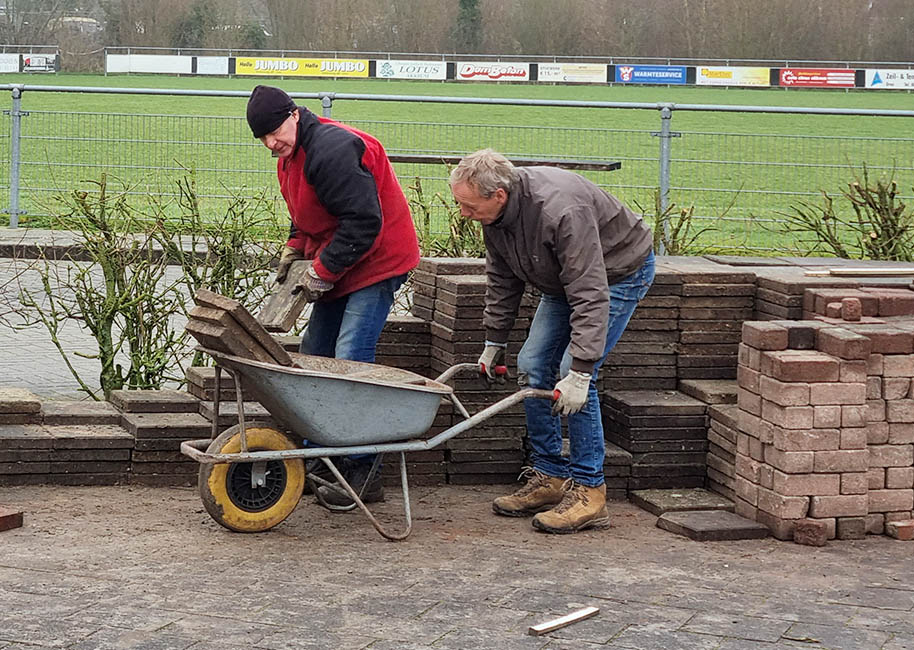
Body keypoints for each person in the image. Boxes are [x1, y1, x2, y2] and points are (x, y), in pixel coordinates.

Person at [449, 149, 654, 534]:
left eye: (469, 206)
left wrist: (581, 371)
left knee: (571, 373)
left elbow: (590, 291)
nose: (463, 213)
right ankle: (551, 476)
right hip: (564, 279)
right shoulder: (495, 216)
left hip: (616, 274)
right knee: (531, 365)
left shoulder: (560, 210)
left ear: (499, 195)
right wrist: (495, 339)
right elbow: (502, 277)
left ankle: (590, 490)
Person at [246, 85, 420, 507]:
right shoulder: (290, 157)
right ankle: (321, 457)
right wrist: (294, 247)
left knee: (349, 360)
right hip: (342, 257)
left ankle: (362, 469)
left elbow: (363, 223)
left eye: (274, 132)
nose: (270, 143)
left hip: (378, 259)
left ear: (293, 114)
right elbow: (307, 214)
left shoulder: (333, 150)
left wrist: (322, 272)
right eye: (262, 138)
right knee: (314, 354)